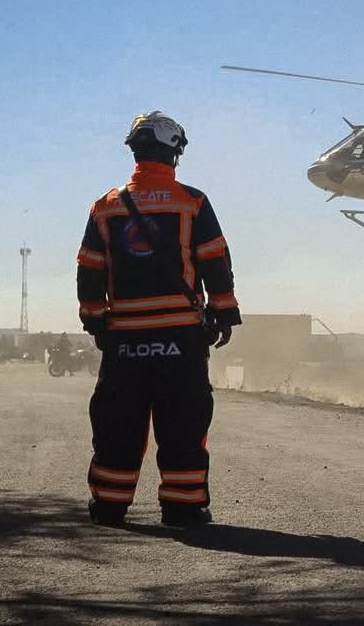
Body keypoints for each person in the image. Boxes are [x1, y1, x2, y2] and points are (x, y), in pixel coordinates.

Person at [76, 111, 241, 527]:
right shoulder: (192, 202)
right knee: (184, 422)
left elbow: (89, 270)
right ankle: (183, 507)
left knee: (117, 423)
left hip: (124, 341)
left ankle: (110, 504)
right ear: (175, 152)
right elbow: (214, 261)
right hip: (180, 340)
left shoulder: (105, 207)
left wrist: (96, 321)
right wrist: (223, 314)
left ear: (135, 151)